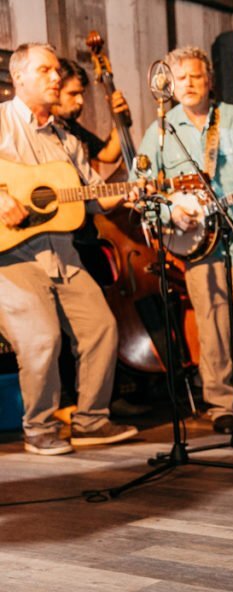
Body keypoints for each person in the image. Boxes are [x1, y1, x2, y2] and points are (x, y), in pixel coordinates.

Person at [137, 46, 233, 434]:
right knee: (212, 330)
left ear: (209, 80)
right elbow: (144, 193)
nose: (187, 84)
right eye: (179, 78)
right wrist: (173, 213)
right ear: (169, 84)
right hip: (197, 248)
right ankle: (220, 406)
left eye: (195, 76)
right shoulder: (159, 131)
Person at [0, 43, 138, 455]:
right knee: (42, 338)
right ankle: (38, 427)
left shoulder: (66, 139)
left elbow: (91, 196)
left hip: (62, 255)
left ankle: (91, 421)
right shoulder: (2, 121)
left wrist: (132, 191)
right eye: (45, 70)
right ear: (19, 77)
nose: (56, 77)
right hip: (10, 259)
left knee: (101, 327)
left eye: (57, 69)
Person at [52, 58, 128, 166]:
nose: (80, 101)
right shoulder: (41, 128)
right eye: (73, 94)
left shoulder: (71, 127)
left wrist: (122, 118)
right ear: (55, 91)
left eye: (81, 94)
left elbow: (108, 154)